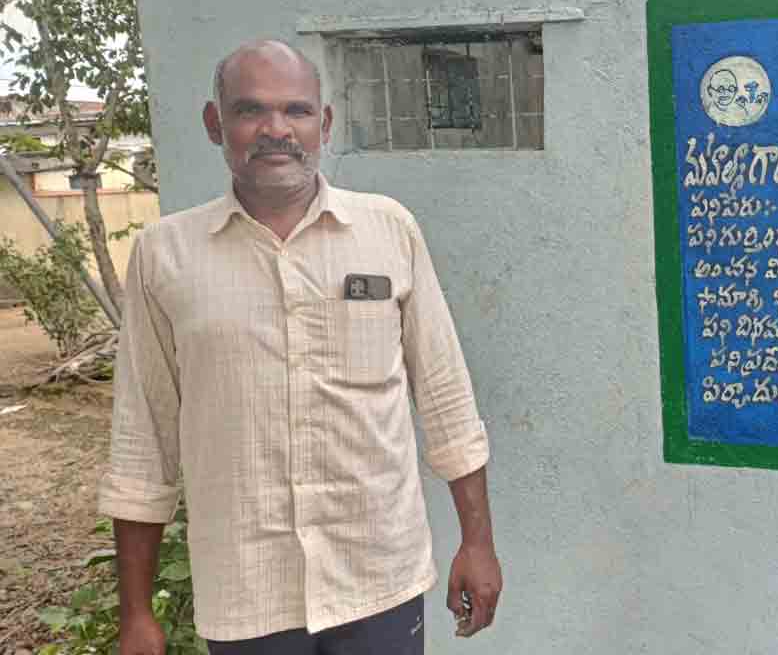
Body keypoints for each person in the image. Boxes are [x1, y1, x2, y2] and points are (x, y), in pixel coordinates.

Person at [98, 40, 501, 654]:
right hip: (247, 593)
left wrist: (477, 542)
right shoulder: (165, 255)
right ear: (215, 124)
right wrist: (136, 613)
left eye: (297, 111)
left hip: (379, 579)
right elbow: (142, 438)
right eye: (250, 110)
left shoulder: (388, 229)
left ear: (325, 124)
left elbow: (445, 398)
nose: (275, 130)